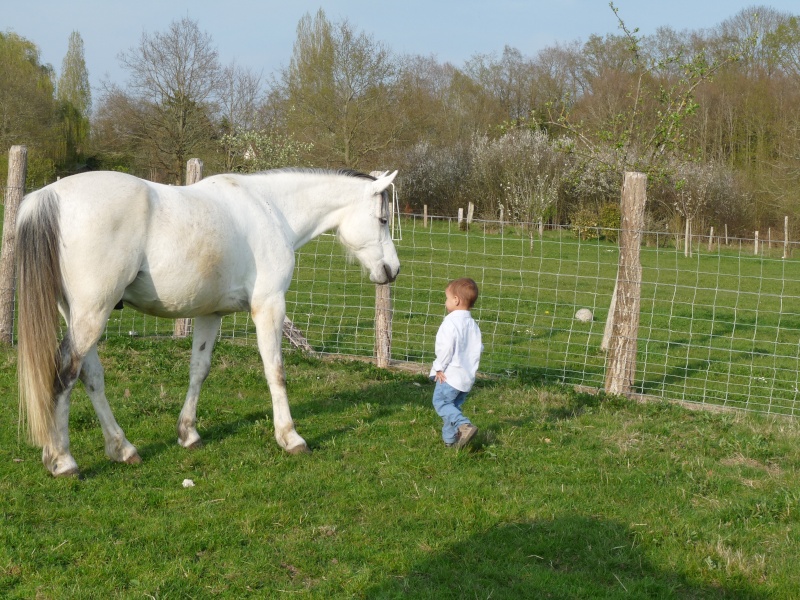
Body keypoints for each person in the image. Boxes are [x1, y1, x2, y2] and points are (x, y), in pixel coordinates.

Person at [430, 277, 483, 448]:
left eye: (447, 298)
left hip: (449, 376)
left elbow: (445, 348)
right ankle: (450, 442)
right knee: (452, 409)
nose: (445, 302)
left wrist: (438, 367)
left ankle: (464, 425)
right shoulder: (473, 325)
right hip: (466, 378)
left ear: (456, 300)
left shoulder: (450, 322)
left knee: (442, 403)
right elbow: (479, 348)